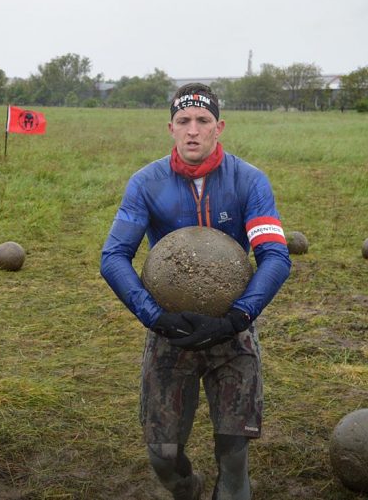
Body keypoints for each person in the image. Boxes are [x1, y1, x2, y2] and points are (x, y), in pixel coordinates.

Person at [100, 83, 292, 500]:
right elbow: (113, 256)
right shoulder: (146, 183)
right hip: (171, 331)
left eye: (203, 120)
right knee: (163, 456)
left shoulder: (249, 181)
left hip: (232, 331)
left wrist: (239, 316)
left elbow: (275, 256)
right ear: (170, 127)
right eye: (183, 121)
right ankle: (188, 488)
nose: (193, 130)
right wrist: (155, 317)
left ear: (218, 127)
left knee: (235, 460)